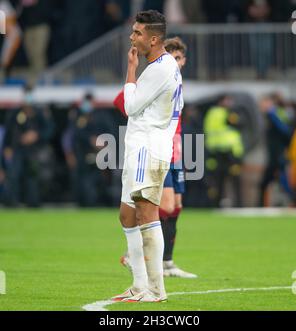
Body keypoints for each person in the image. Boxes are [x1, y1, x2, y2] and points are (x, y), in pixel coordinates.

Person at [111, 10, 183, 303]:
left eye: (137, 33)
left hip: (149, 149)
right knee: (127, 215)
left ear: (153, 39)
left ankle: (156, 289)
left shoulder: (160, 69)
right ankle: (139, 285)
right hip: (137, 147)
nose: (132, 37)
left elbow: (129, 106)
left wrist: (130, 69)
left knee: (146, 213)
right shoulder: (156, 65)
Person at [115, 37, 197, 278]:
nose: (176, 61)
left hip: (177, 153)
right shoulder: (157, 78)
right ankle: (136, 254)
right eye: (172, 56)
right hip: (159, 152)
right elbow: (123, 102)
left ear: (184, 61)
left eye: (179, 57)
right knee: (164, 205)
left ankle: (167, 262)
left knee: (176, 207)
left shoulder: (176, 82)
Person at [204, 95, 245, 207]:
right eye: (228, 100)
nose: (230, 103)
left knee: (218, 180)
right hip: (229, 152)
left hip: (215, 150)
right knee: (234, 179)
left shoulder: (211, 113)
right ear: (221, 101)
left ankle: (216, 204)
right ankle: (238, 205)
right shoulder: (227, 113)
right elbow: (239, 124)